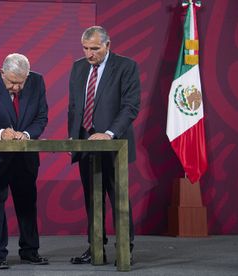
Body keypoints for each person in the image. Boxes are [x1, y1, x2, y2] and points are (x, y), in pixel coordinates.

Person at [68, 26, 140, 265]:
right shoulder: (78, 67)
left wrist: (109, 134)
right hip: (86, 144)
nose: (90, 54)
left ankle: (125, 248)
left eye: (95, 49)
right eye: (86, 48)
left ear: (108, 45)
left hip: (113, 144)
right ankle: (96, 246)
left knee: (118, 197)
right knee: (92, 197)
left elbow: (130, 106)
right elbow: (74, 107)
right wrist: (73, 137)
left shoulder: (126, 66)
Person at [0, 53, 49, 269]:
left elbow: (41, 118)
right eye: (12, 82)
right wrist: (1, 133)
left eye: (21, 82)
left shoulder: (37, 82)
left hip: (25, 157)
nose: (17, 88)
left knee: (27, 204)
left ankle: (30, 251)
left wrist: (25, 134)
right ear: (2, 73)